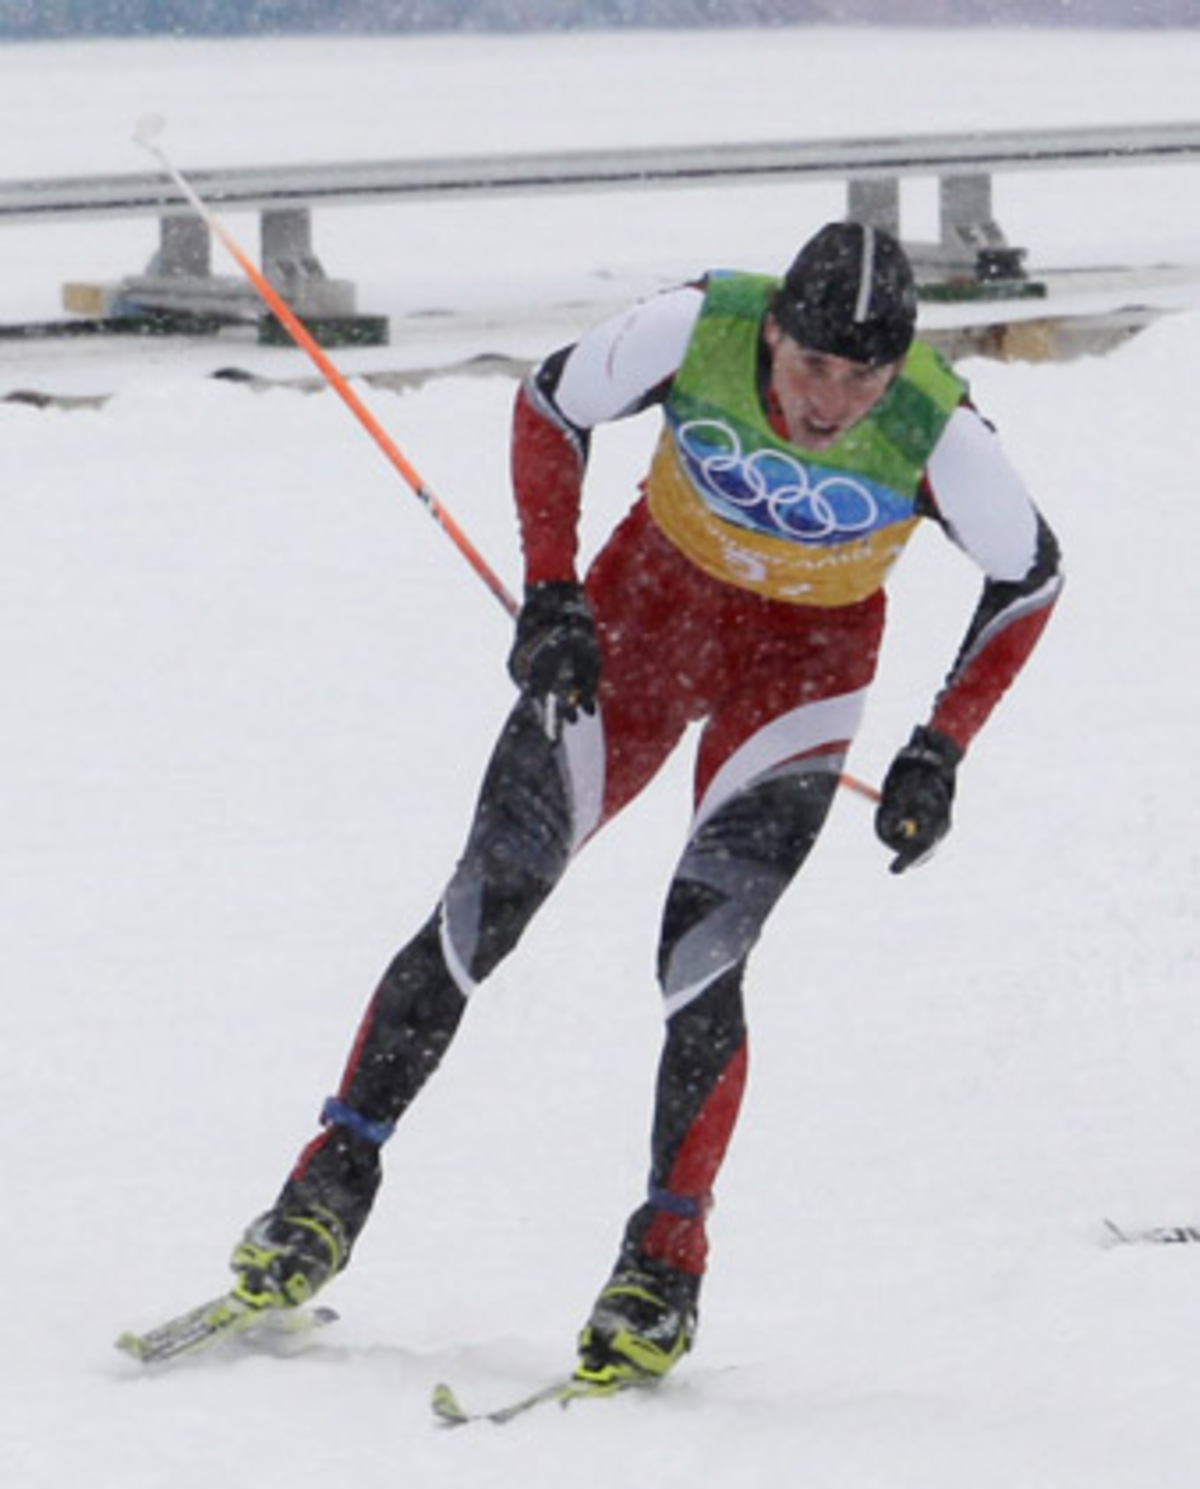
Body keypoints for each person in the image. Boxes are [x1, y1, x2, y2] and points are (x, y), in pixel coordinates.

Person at [224, 221, 1063, 1386]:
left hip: (802, 677)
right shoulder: (700, 326)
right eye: (813, 367)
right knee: (490, 895)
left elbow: (1032, 574)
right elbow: (550, 404)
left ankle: (663, 1265)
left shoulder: (935, 423)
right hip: (640, 625)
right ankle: (327, 1183)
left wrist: (939, 750)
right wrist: (554, 592)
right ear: (774, 331)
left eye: (860, 379)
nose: (830, 403)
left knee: (701, 956)